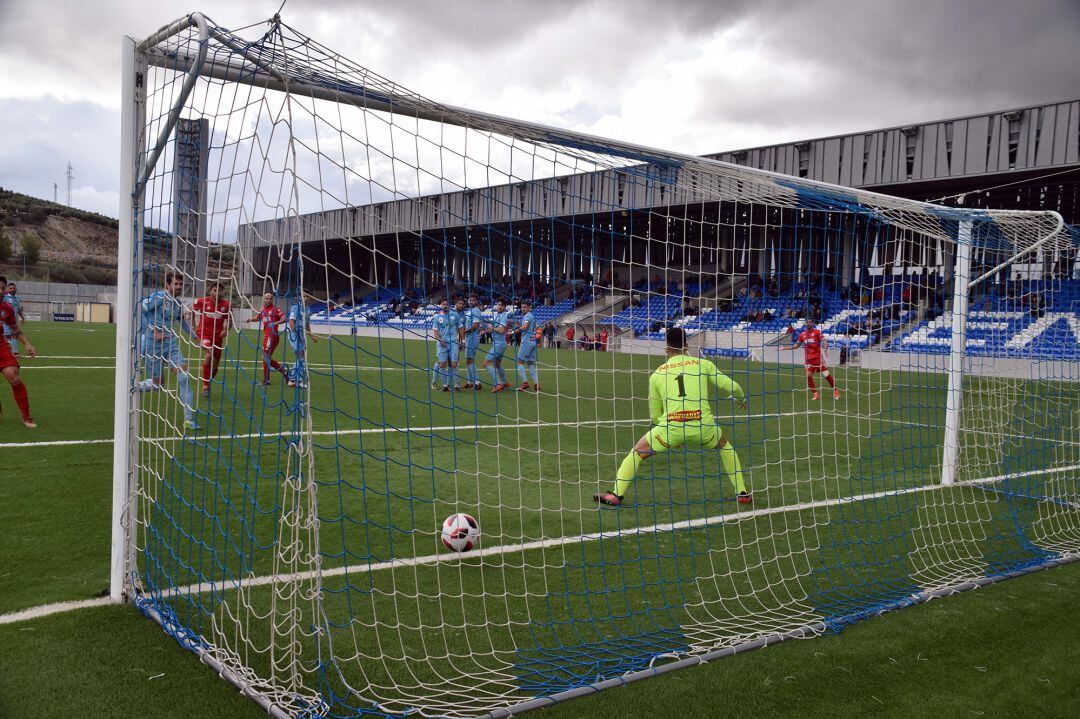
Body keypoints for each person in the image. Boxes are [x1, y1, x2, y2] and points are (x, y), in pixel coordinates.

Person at [593, 327, 750, 507]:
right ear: (686, 345)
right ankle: (742, 493)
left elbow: (655, 416)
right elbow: (733, 387)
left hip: (671, 428)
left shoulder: (657, 374)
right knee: (725, 446)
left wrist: (672, 429)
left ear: (666, 348)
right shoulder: (703, 364)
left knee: (637, 452)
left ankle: (616, 495)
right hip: (703, 426)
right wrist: (741, 399)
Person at [138, 270, 199, 431]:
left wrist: (197, 340)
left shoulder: (178, 304)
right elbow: (140, 309)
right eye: (175, 284)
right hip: (152, 346)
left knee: (184, 377)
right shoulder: (158, 297)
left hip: (170, 345)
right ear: (168, 284)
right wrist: (152, 330)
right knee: (158, 386)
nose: (178, 287)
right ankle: (134, 387)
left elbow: (182, 323)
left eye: (180, 284)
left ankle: (188, 420)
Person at [0, 275, 36, 427]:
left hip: (1, 346)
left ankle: (26, 416)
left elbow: (14, 328)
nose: (1, 291)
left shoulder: (6, 308)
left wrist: (27, 344)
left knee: (13, 376)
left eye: (2, 288)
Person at [781, 319, 841, 400]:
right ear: (805, 324)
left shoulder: (817, 332)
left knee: (826, 375)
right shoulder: (802, 335)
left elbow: (824, 341)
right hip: (808, 360)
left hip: (818, 358)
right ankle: (815, 394)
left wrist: (826, 347)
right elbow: (796, 346)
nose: (808, 323)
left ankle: (836, 391)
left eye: (809, 322)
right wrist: (784, 348)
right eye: (806, 322)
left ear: (812, 323)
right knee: (808, 376)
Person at [192, 282, 231, 397]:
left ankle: (208, 381)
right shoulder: (202, 301)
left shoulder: (226, 305)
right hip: (204, 334)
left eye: (219, 290)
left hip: (218, 337)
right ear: (210, 291)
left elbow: (230, 320)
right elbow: (192, 311)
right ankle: (205, 387)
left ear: (222, 292)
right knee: (209, 354)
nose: (217, 292)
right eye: (214, 290)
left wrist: (226, 330)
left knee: (215, 366)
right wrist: (193, 325)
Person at [248, 293, 287, 385]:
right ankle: (283, 371)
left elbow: (284, 318)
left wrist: (276, 323)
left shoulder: (275, 309)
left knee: (265, 357)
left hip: (272, 336)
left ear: (272, 300)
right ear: (263, 299)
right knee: (266, 357)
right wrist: (251, 319)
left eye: (270, 299)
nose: (268, 300)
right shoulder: (262, 310)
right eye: (266, 298)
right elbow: (258, 318)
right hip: (266, 336)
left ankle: (266, 380)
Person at [431, 298, 464, 391]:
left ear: (449, 305)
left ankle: (457, 385)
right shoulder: (437, 317)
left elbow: (461, 328)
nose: (445, 306)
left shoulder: (455, 315)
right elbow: (435, 331)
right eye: (443, 304)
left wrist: (463, 341)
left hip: (453, 343)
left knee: (454, 364)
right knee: (442, 364)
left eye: (447, 304)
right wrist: (440, 340)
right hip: (442, 343)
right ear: (441, 305)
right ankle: (445, 385)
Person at [285, 294, 317, 388]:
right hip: (294, 336)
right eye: (304, 296)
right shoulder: (295, 307)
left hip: (302, 336)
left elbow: (307, 325)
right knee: (301, 358)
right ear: (299, 297)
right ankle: (298, 380)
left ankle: (292, 380)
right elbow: (291, 321)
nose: (305, 298)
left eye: (307, 296)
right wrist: (295, 333)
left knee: (301, 359)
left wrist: (312, 336)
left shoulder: (308, 310)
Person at [484, 299, 512, 392]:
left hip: (499, 344)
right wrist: (485, 331)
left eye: (502, 305)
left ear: (504, 307)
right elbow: (494, 329)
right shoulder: (497, 315)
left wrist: (492, 328)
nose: (500, 306)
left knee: (486, 363)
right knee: (498, 364)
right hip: (500, 344)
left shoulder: (503, 316)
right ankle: (504, 383)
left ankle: (498, 383)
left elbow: (501, 330)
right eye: (498, 304)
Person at [515, 300, 539, 391]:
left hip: (526, 342)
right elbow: (532, 327)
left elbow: (525, 327)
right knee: (530, 363)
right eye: (522, 307)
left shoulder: (527, 316)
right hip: (533, 341)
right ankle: (536, 383)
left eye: (525, 307)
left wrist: (515, 331)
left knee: (520, 362)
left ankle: (525, 383)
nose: (522, 309)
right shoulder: (532, 316)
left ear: (529, 307)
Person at [462, 294, 484, 389]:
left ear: (477, 301)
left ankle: (477, 383)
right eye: (470, 300)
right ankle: (469, 382)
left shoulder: (475, 311)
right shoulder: (470, 310)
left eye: (474, 300)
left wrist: (465, 331)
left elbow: (475, 325)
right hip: (469, 338)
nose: (472, 302)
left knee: (470, 360)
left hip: (472, 338)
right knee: (468, 360)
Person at [4, 281, 25, 356]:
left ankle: (15, 352)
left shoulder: (17, 298)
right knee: (7, 337)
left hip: (14, 321)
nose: (12, 289)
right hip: (5, 321)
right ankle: (9, 353)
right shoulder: (5, 297)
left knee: (14, 336)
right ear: (7, 289)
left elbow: (19, 309)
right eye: (11, 288)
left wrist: (22, 317)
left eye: (14, 288)